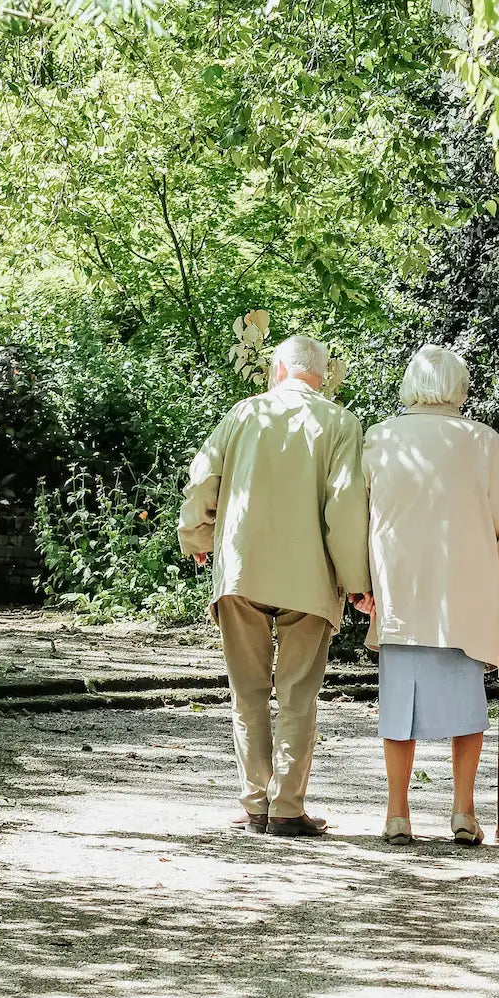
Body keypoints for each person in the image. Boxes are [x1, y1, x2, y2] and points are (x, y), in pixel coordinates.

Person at [178, 335, 371, 837]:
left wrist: (196, 534)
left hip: (242, 569)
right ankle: (287, 808)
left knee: (247, 691)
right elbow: (346, 506)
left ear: (277, 370)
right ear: (322, 375)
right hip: (309, 577)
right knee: (298, 694)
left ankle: (254, 802)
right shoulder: (340, 423)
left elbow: (203, 480)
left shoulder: (242, 414)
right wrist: (356, 581)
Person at [360, 345, 499, 846]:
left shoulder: (380, 438)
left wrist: (359, 584)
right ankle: (463, 811)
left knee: (398, 707)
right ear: (459, 388)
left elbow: (357, 519)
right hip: (465, 593)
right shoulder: (481, 441)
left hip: (400, 593)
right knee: (466, 705)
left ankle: (397, 814)